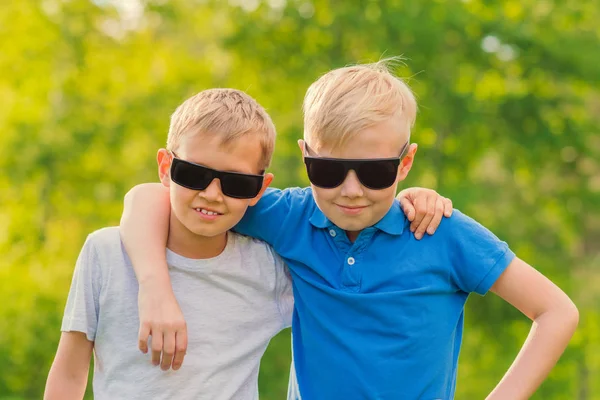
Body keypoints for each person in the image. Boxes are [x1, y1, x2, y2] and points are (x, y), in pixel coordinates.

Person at [121, 60, 578, 399]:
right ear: (305, 156)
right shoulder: (290, 216)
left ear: (406, 162)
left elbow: (556, 311)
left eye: (376, 172)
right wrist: (154, 287)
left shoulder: (441, 232)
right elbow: (150, 196)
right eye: (328, 170)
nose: (351, 190)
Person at [44, 88, 450, 400]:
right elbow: (69, 373)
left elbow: (356, 292)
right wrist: (154, 286)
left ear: (260, 190)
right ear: (166, 167)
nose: (212, 194)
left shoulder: (270, 268)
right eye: (193, 173)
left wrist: (407, 202)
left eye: (237, 183)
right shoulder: (106, 253)